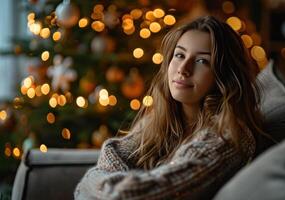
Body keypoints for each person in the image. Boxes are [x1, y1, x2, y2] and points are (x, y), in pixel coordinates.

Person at [74, 15, 264, 200]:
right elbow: (112, 152)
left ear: (224, 75)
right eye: (179, 55)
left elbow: (130, 194)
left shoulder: (228, 138)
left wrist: (91, 185)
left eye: (201, 61)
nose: (183, 68)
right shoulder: (161, 121)